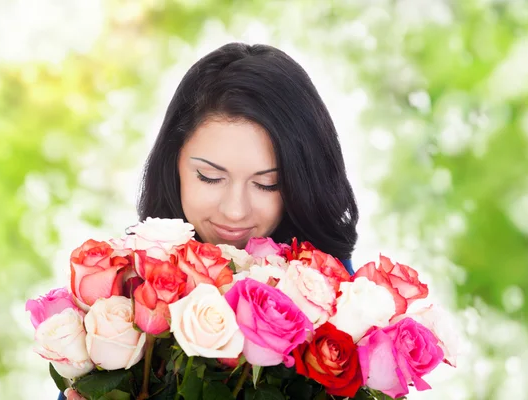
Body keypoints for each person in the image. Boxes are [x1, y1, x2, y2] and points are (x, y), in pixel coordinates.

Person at [58, 42, 358, 400]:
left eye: (267, 184)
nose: (235, 211)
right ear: (174, 162)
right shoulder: (125, 288)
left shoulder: (332, 297)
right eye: (209, 177)